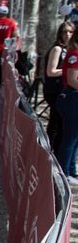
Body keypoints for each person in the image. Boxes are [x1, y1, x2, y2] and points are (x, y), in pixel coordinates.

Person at [44, 21, 75, 149]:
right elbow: (51, 72)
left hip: (63, 90)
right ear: (60, 34)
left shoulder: (70, 50)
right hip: (54, 90)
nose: (67, 35)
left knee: (60, 123)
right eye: (65, 32)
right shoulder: (58, 49)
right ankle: (50, 150)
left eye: (70, 32)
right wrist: (70, 70)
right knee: (56, 122)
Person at [55, 30, 78, 185]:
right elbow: (72, 80)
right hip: (72, 98)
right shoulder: (74, 55)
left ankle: (71, 171)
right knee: (70, 138)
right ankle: (64, 173)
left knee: (75, 139)